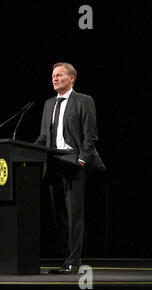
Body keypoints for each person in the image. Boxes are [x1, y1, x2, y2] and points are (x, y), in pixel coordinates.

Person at [35, 62, 105, 274]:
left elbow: (90, 134)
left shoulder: (84, 100)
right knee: (59, 216)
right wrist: (26, 151)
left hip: (74, 162)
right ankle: (66, 260)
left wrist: (82, 159)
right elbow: (43, 137)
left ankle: (74, 262)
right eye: (53, 76)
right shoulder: (49, 104)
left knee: (74, 215)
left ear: (71, 78)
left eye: (59, 75)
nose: (54, 78)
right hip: (54, 162)